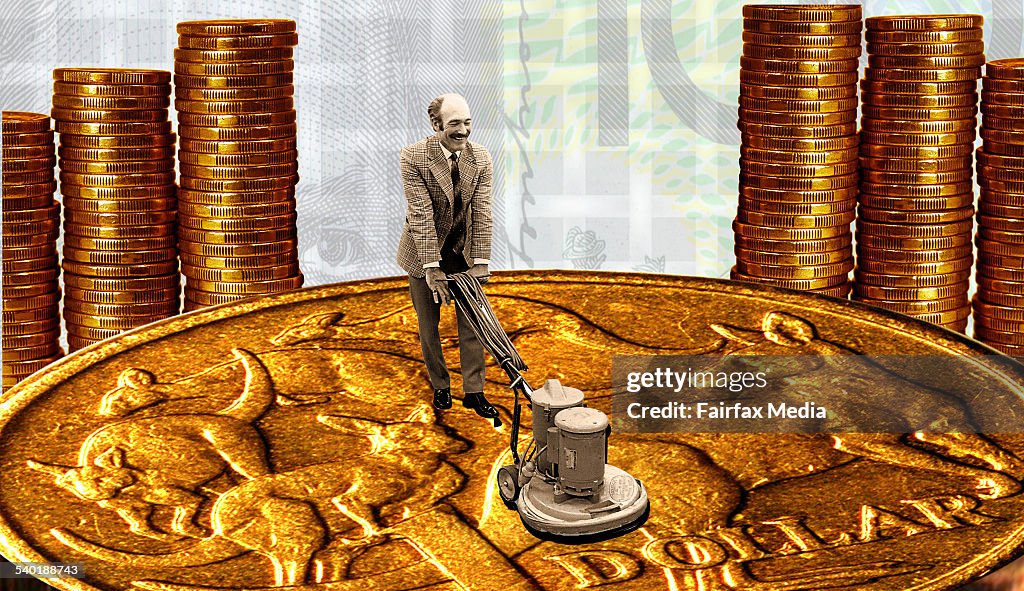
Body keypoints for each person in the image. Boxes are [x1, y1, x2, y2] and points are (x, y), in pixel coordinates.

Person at [397, 93, 498, 422]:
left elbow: (482, 211)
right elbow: (422, 216)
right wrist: (431, 268)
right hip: (422, 254)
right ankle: (441, 385)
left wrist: (480, 259)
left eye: (468, 122)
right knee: (429, 327)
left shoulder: (480, 158)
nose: (464, 130)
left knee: (473, 325)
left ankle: (474, 391)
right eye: (455, 123)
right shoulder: (414, 157)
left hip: (462, 253)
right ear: (436, 124)